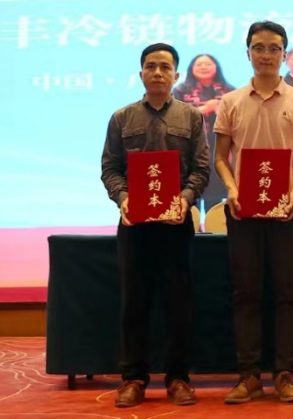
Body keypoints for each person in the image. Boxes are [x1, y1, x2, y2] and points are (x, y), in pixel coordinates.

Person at [214, 21, 293, 404]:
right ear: (248, 53)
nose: (266, 54)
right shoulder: (231, 101)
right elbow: (220, 158)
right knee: (246, 293)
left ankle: (285, 374)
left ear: (284, 54)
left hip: (289, 209)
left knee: (289, 291)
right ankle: (249, 376)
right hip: (243, 208)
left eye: (274, 48)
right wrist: (231, 188)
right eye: (258, 47)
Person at [101, 43, 210, 408]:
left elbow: (201, 169)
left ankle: (178, 378)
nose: (158, 73)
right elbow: (110, 168)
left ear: (176, 75)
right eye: (151, 66)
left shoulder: (191, 117)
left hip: (176, 224)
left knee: (179, 304)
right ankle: (133, 378)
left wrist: (186, 198)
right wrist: (123, 198)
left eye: (165, 67)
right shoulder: (122, 118)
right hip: (134, 224)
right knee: (134, 303)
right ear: (141, 74)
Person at [173, 53, 235, 208]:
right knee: (191, 194)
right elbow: (175, 118)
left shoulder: (230, 91)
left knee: (214, 195)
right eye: (199, 64)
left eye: (208, 64)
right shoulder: (180, 91)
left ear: (216, 67)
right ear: (191, 69)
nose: (203, 67)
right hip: (192, 146)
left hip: (220, 146)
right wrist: (205, 109)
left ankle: (213, 221)